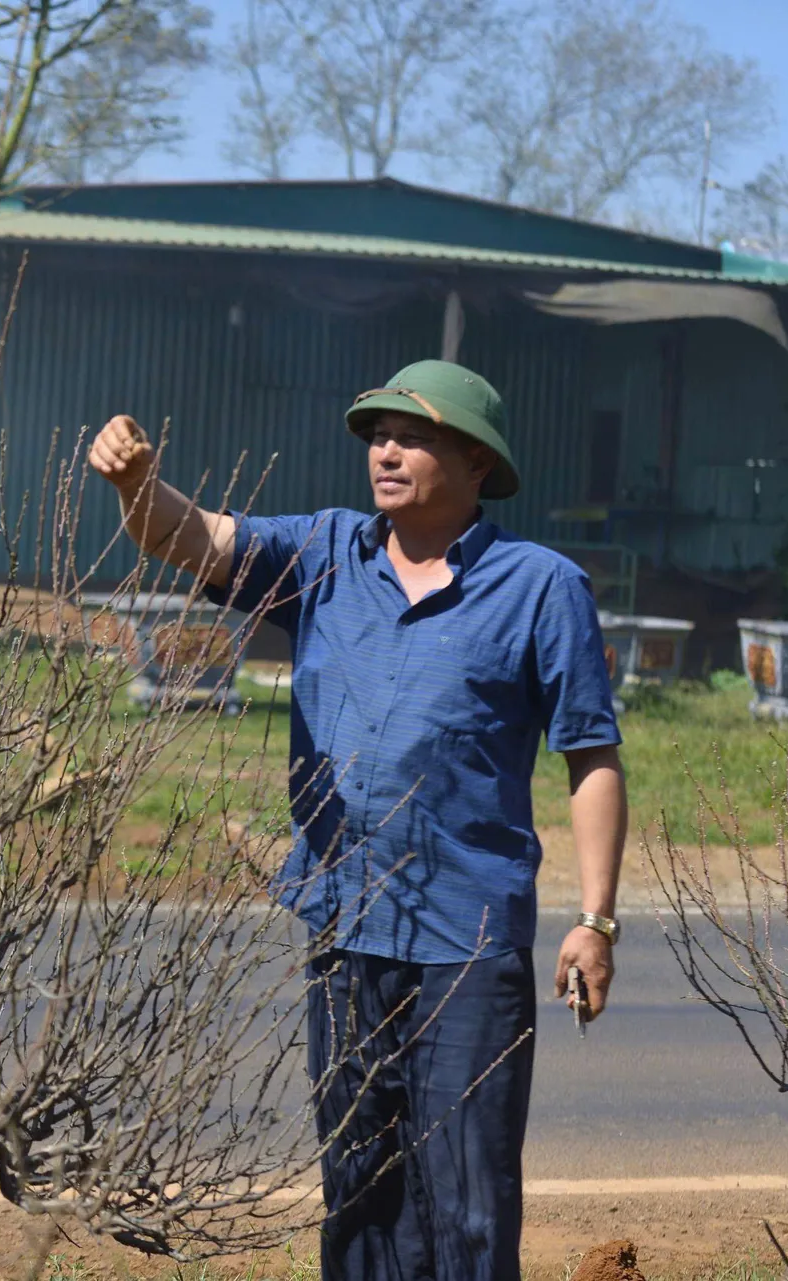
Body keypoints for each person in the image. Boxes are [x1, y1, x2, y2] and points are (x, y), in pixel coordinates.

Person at [86, 359, 628, 1281]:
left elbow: (591, 755)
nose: (385, 449)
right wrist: (138, 484)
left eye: (411, 434)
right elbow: (191, 540)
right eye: (377, 433)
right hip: (344, 922)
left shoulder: (542, 588)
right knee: (358, 1179)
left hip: (470, 937)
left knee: (464, 1192)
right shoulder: (327, 555)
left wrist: (596, 917)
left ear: (474, 459)